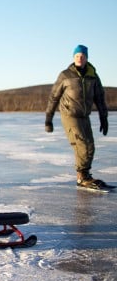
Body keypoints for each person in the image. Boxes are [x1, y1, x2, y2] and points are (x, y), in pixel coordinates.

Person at [45, 44, 109, 189]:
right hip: (70, 115)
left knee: (90, 146)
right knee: (82, 145)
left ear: (86, 57)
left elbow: (99, 97)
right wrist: (49, 119)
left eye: (82, 56)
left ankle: (85, 174)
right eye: (77, 56)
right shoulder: (66, 75)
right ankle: (81, 177)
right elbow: (54, 97)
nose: (80, 58)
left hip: (84, 115)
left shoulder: (92, 75)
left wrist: (103, 117)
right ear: (73, 58)